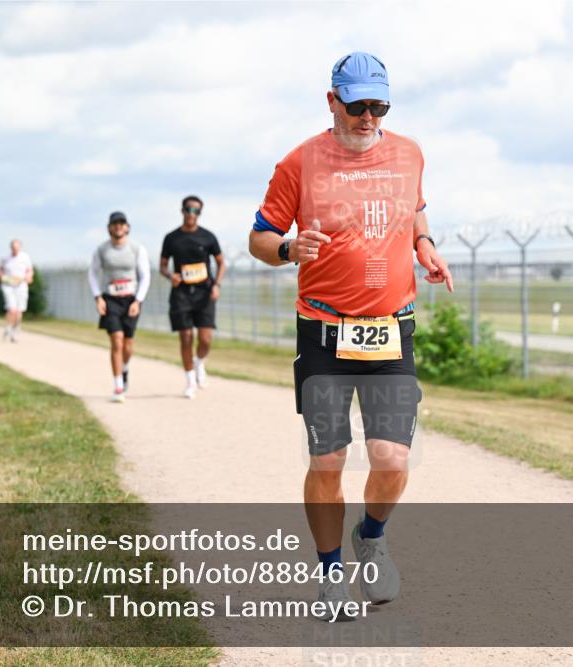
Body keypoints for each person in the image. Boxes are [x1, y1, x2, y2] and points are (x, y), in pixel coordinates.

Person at [249, 52, 453, 620]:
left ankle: (372, 534)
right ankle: (332, 573)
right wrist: (289, 249)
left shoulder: (409, 153)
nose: (369, 118)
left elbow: (414, 210)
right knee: (329, 462)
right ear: (332, 101)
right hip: (323, 330)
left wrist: (425, 246)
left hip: (391, 328)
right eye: (358, 105)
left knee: (391, 460)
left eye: (379, 106)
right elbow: (259, 237)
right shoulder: (299, 163)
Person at [160, 195, 225, 398]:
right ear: (182, 211)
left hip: (204, 292)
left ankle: (199, 362)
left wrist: (217, 284)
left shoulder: (208, 237)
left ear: (199, 214)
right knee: (186, 337)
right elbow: (162, 266)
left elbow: (221, 263)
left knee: (205, 339)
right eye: (188, 209)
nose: (191, 214)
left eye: (196, 210)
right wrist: (171, 275)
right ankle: (190, 382)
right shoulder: (171, 238)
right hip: (181, 293)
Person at [89, 211, 151, 402]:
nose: (118, 227)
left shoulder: (136, 249)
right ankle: (118, 386)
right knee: (116, 339)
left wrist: (138, 301)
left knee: (128, 344)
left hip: (130, 299)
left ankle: (124, 369)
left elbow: (145, 276)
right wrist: (98, 298)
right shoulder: (102, 250)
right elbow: (93, 273)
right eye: (114, 224)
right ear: (109, 228)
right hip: (111, 299)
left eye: (121, 223)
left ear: (127, 227)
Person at [0, 239, 34, 342]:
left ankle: (13, 332)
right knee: (11, 309)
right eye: (13, 248)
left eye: (17, 248)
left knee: (18, 312)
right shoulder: (5, 258)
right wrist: (2, 277)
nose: (15, 250)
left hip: (21, 285)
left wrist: (28, 276)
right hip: (8, 285)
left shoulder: (25, 257)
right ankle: (8, 328)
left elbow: (30, 270)